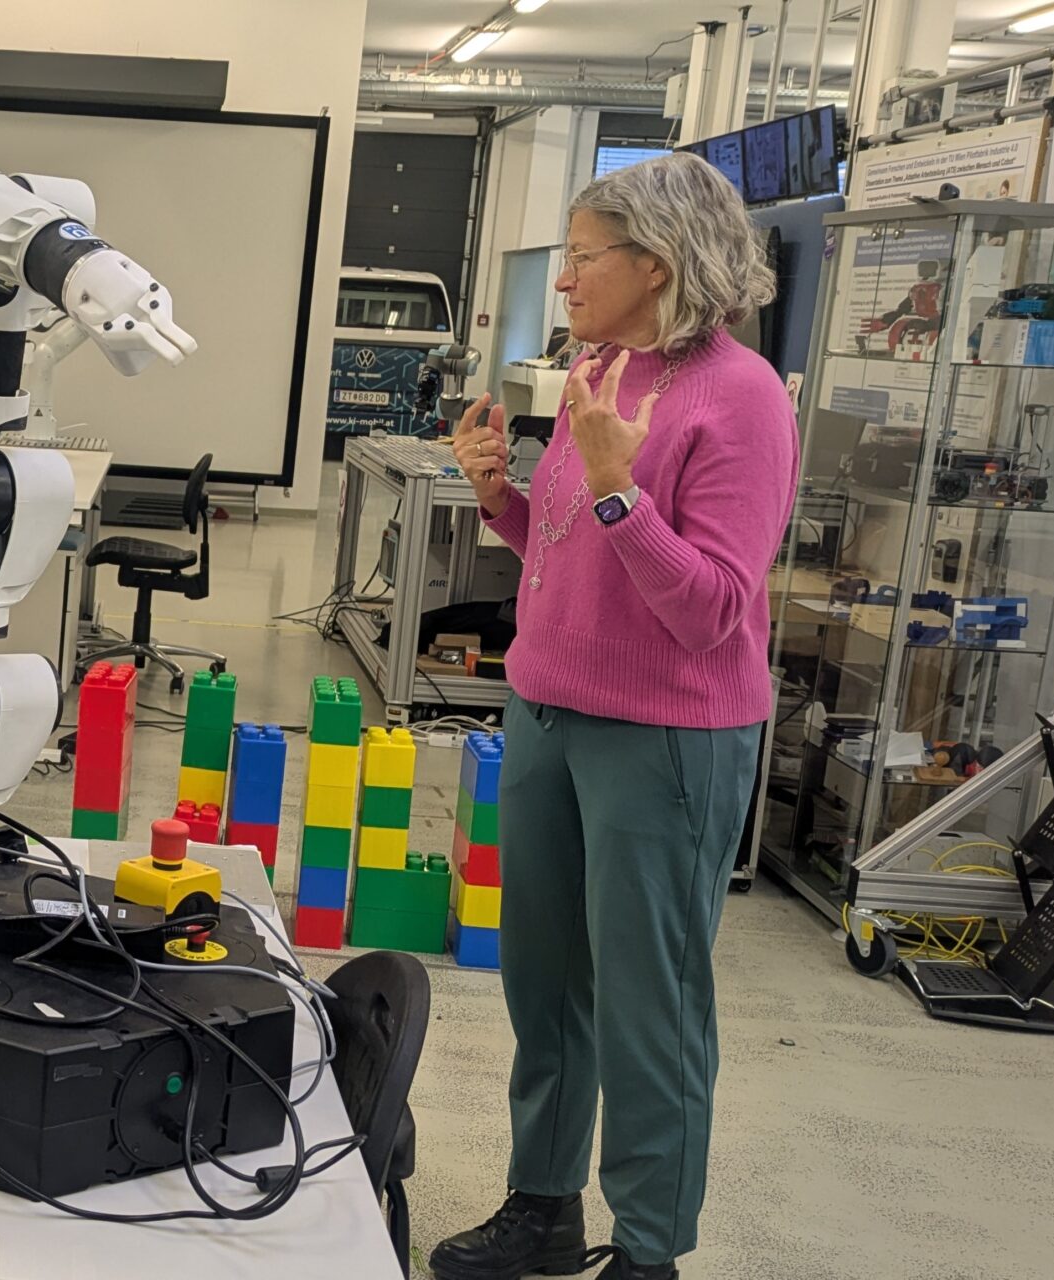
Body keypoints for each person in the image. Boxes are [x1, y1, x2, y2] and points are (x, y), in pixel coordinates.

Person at [435, 153, 795, 1280]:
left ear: (654, 262)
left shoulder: (738, 396)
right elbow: (575, 555)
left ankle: (648, 1250)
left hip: (667, 738)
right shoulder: (600, 367)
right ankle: (541, 1202)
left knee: (650, 1004)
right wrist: (501, 494)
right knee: (544, 982)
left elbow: (712, 609)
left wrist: (615, 489)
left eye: (583, 257)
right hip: (546, 714)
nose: (566, 281)